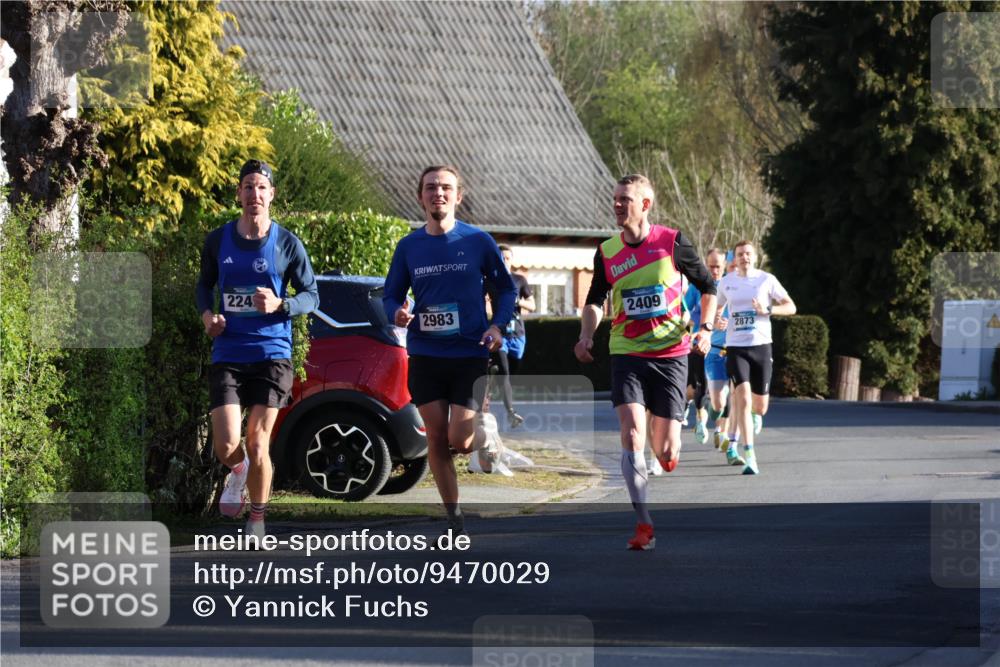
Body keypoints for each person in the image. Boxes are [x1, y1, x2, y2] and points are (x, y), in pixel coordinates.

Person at [574, 174, 716, 551]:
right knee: (632, 434)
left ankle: (672, 434)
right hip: (627, 352)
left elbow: (709, 286)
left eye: (626, 199)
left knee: (666, 453)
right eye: (615, 198)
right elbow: (593, 299)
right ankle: (643, 524)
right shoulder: (606, 252)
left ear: (645, 205)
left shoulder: (672, 242)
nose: (618, 204)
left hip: (671, 355)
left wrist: (706, 329)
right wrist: (586, 335)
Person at [383, 165, 517, 540]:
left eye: (445, 188)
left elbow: (505, 290)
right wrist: (395, 312)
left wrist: (497, 326)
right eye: (430, 188)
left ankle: (482, 429)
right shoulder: (409, 247)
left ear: (459, 196)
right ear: (420, 196)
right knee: (437, 439)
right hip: (425, 354)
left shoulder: (478, 242)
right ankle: (453, 516)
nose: (437, 194)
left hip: (469, 353)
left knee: (461, 440)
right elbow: (391, 293)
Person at [196, 159, 319, 540]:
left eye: (261, 187)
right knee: (227, 445)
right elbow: (204, 286)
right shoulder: (218, 240)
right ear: (239, 194)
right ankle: (237, 470)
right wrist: (207, 317)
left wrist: (282, 305)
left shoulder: (287, 243)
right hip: (229, 353)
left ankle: (258, 518)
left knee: (257, 439)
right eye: (248, 187)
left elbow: (312, 296)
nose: (255, 194)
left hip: (272, 353)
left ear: (271, 195)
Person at [715, 240, 796, 475]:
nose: (744, 257)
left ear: (755, 256)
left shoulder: (766, 280)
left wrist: (767, 310)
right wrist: (718, 321)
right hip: (736, 348)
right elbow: (717, 309)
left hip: (761, 347)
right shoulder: (726, 283)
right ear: (734, 259)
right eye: (740, 254)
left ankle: (751, 417)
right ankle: (749, 454)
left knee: (759, 408)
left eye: (748, 254)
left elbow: (791, 307)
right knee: (743, 398)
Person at [491, 244, 535, 428]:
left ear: (512, 260)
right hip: (499, 333)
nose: (504, 261)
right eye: (501, 257)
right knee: (505, 372)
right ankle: (511, 413)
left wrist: (518, 302)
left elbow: (532, 305)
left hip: (517, 334)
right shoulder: (490, 280)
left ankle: (493, 376)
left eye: (507, 258)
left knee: (511, 372)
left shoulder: (519, 280)